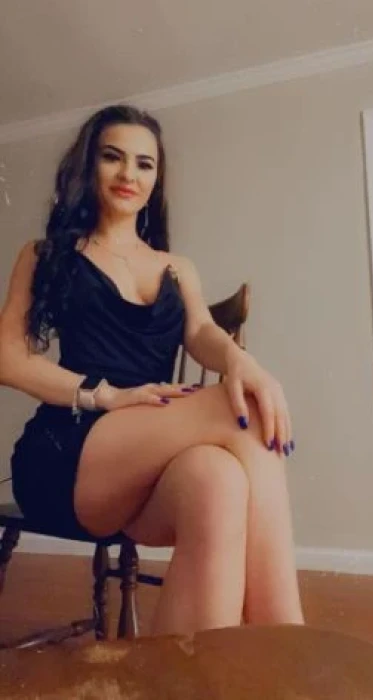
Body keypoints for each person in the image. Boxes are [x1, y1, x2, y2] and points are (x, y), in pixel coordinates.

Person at [0, 104, 304, 636]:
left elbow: (201, 333)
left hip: (144, 472)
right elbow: (7, 359)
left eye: (144, 163)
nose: (129, 174)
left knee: (218, 481)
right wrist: (104, 395)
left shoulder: (176, 267)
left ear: (156, 178)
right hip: (70, 450)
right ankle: (285, 644)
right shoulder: (47, 254)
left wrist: (239, 359)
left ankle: (189, 676)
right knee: (247, 409)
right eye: (112, 157)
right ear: (88, 165)